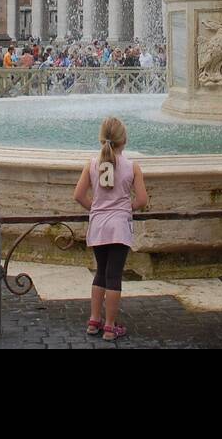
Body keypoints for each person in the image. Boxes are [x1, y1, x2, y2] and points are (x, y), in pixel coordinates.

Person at [73, 117, 147, 342]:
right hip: (119, 228)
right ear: (124, 140)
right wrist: (126, 208)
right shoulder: (132, 166)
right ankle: (110, 326)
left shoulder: (92, 164)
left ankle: (94, 320)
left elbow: (78, 195)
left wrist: (96, 208)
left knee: (100, 272)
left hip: (99, 225)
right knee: (114, 275)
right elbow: (142, 199)